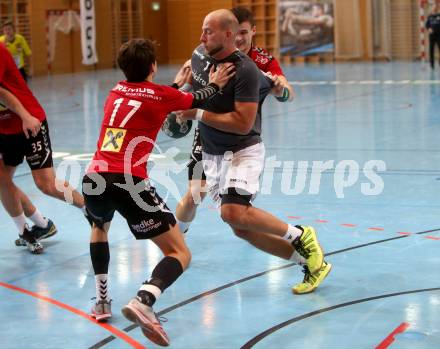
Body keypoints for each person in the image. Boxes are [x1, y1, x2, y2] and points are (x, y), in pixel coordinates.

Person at [83, 38, 234, 346]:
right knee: (180, 252)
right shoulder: (160, 95)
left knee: (100, 225)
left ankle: (101, 300)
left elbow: (151, 96)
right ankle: (143, 300)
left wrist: (178, 84)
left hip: (94, 178)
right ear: (153, 66)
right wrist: (216, 83)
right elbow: (195, 99)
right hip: (129, 182)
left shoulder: (115, 91)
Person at [178, 9, 331, 295]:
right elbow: (191, 88)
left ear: (230, 34)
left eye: (208, 31)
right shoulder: (199, 56)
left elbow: (244, 121)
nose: (201, 37)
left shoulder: (249, 68)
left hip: (241, 148)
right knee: (239, 225)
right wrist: (178, 91)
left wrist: (281, 90)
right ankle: (309, 261)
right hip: (212, 151)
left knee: (231, 211)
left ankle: (301, 235)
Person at [0, 43, 89, 253]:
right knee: (3, 182)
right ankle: (31, 229)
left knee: (46, 184)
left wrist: (24, 116)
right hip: (3, 130)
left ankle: (90, 209)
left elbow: (3, 94)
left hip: (29, 120)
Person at [426, 3, 440, 69]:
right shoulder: (430, 17)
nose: (434, 8)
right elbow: (427, 25)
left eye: (435, 7)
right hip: (432, 36)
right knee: (431, 50)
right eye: (433, 7)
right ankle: (432, 65)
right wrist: (429, 29)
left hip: (439, 36)